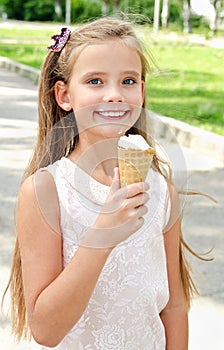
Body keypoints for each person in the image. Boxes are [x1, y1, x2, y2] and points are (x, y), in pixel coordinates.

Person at [4, 18, 196, 349]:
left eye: (128, 80)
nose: (114, 95)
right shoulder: (46, 191)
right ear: (64, 95)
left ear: (142, 91)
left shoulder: (162, 190)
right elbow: (46, 331)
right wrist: (103, 234)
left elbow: (174, 306)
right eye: (95, 81)